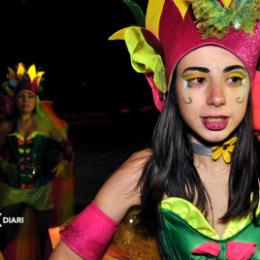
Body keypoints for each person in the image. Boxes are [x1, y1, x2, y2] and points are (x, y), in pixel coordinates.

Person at [50, 0, 260, 259]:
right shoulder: (146, 173)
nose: (217, 97)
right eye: (196, 80)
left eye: (233, 79)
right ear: (168, 91)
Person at [0, 62, 74, 260]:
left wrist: (63, 163)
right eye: (21, 96)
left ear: (36, 99)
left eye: (29, 96)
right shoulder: (6, 126)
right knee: (6, 226)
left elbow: (65, 145)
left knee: (44, 235)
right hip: (14, 191)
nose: (25, 100)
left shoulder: (47, 124)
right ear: (15, 100)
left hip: (41, 191)